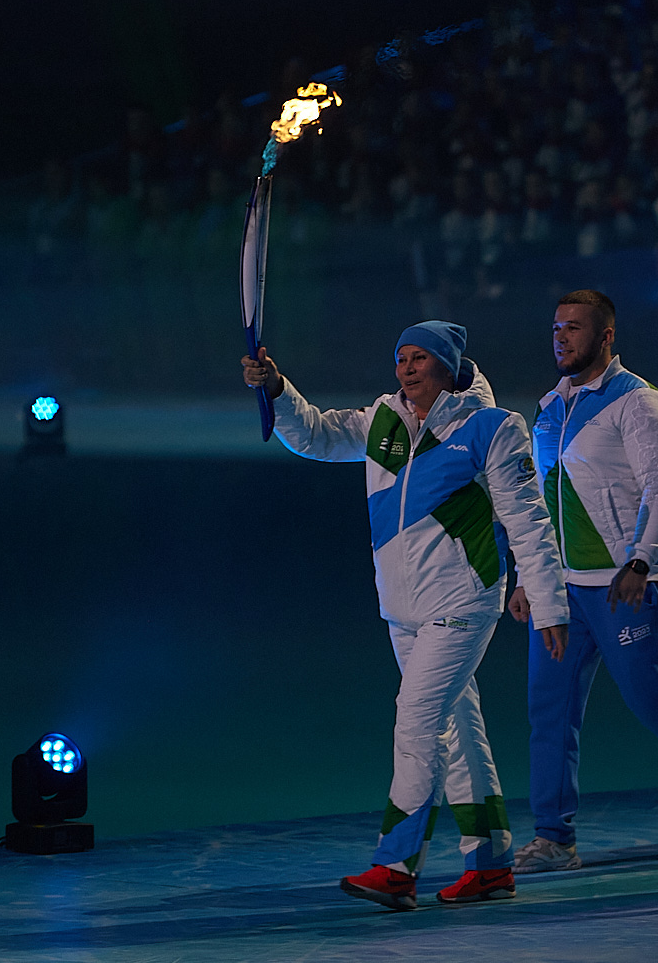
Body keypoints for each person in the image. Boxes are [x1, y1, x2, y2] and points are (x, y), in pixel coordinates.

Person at [242, 322, 570, 908]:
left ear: (449, 365)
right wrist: (275, 388)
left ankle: (396, 867)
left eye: (421, 358)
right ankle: (492, 865)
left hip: (463, 603)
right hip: (402, 609)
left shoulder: (491, 428)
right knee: (459, 730)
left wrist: (548, 603)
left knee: (417, 722)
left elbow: (529, 520)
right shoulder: (383, 421)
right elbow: (314, 435)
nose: (408, 369)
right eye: (401, 358)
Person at [510, 290, 658, 875]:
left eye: (574, 328)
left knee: (651, 698)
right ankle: (554, 837)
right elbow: (539, 502)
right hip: (561, 590)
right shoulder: (550, 408)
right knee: (550, 710)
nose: (561, 338)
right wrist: (528, 577)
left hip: (624, 584)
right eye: (556, 327)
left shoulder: (640, 404)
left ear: (607, 336)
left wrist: (643, 559)